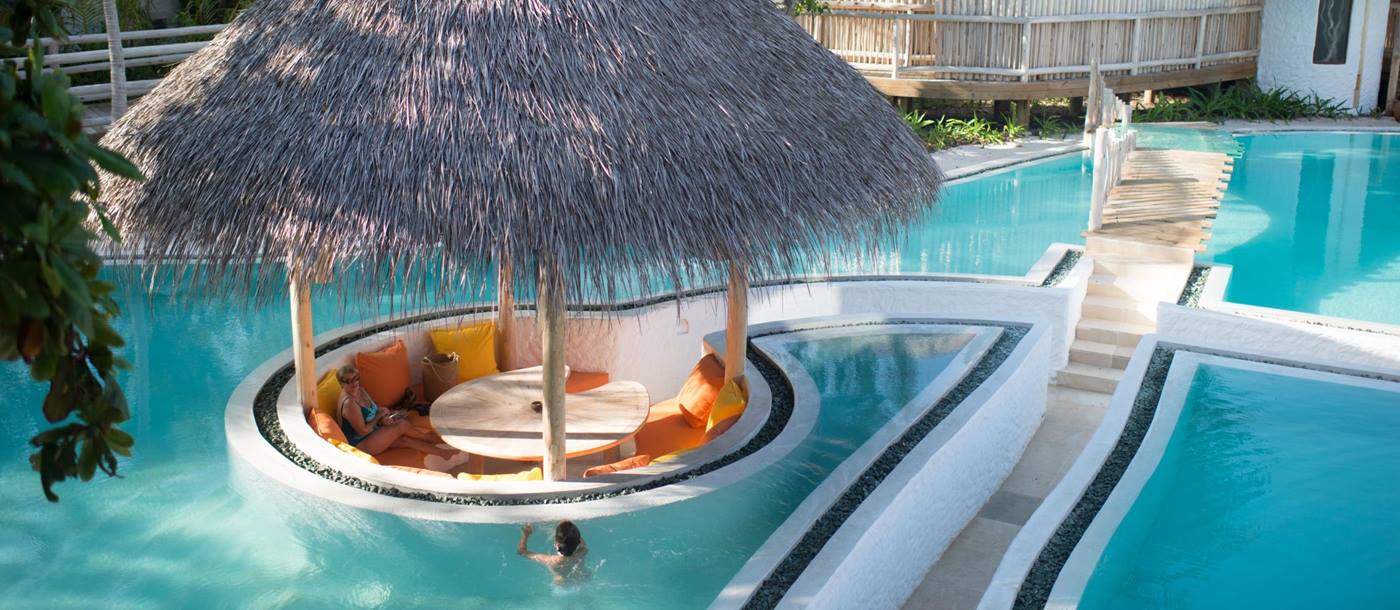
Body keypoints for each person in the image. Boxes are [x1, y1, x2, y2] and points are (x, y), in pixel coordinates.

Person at [336, 364, 460, 462]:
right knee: (401, 425)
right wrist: (379, 417)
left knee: (405, 440)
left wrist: (384, 416)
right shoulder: (349, 404)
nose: (354, 383)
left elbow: (376, 410)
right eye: (349, 381)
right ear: (341, 384)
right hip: (361, 444)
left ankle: (444, 453)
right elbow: (362, 431)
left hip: (374, 431)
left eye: (356, 378)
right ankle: (430, 438)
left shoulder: (360, 390)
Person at [518, 521, 590, 585]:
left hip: (563, 585)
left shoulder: (553, 561)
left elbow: (522, 551)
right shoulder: (582, 551)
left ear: (556, 544)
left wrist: (525, 534)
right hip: (582, 579)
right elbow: (575, 538)